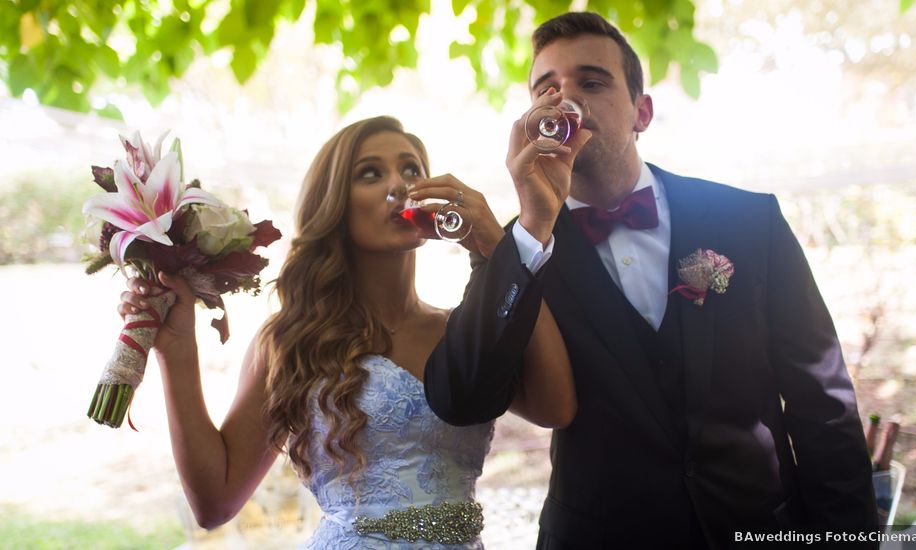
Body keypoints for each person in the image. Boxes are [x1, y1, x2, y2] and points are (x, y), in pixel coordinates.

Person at [423, 12, 878, 549]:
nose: (566, 99)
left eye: (591, 82)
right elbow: (462, 399)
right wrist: (530, 233)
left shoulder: (748, 221)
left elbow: (821, 398)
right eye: (546, 89)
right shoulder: (513, 251)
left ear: (642, 112)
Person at [117, 116, 579, 549]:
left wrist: (504, 252)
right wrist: (176, 352)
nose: (400, 184)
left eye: (411, 169)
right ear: (335, 203)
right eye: (371, 173)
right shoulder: (292, 342)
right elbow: (214, 503)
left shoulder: (462, 331)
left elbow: (555, 407)